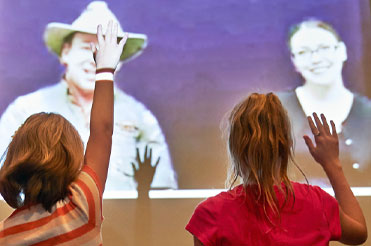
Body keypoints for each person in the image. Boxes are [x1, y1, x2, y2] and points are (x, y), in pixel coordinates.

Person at [0, 1, 178, 191]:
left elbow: (163, 194)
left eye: (105, 51)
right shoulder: (25, 111)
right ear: (65, 53)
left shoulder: (141, 118)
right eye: (87, 47)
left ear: (118, 62)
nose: (95, 59)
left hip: (122, 220)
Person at [0, 21, 126, 245]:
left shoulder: (5, 234)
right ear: (69, 157)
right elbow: (102, 132)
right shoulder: (81, 206)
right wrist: (105, 70)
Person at [186, 93, 367, 245]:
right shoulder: (318, 203)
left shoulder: (210, 216)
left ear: (235, 148)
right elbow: (359, 232)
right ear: (286, 146)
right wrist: (332, 164)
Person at [278, 19, 371, 187]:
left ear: (342, 51)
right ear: (294, 60)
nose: (315, 59)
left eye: (323, 48)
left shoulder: (368, 113)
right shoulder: (275, 109)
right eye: (303, 52)